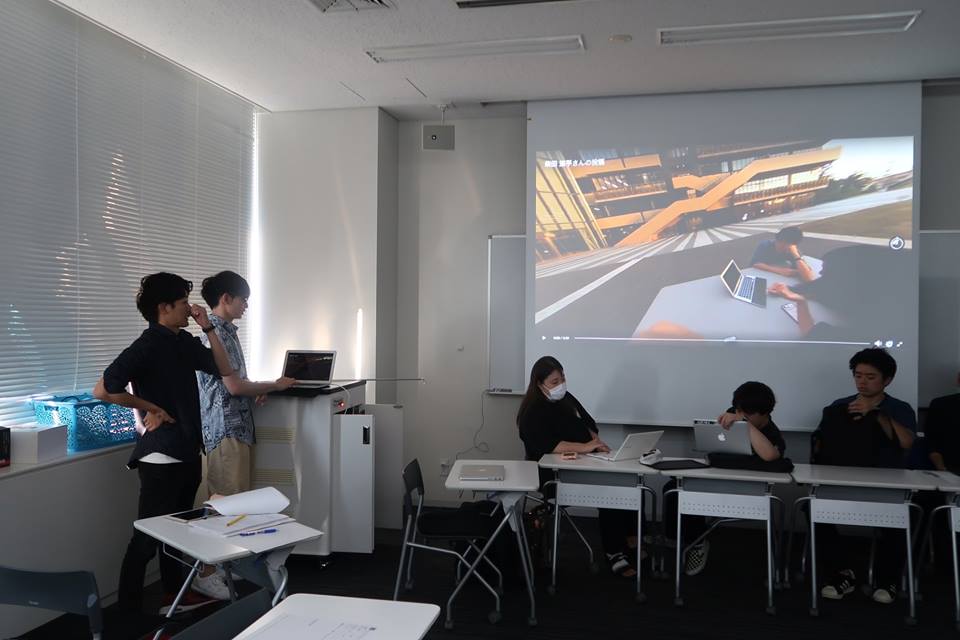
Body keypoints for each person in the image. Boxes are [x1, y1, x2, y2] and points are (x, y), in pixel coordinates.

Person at [93, 273, 236, 614]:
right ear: (164, 307)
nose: (190, 308)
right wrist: (150, 408)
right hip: (160, 455)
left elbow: (224, 368)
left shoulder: (182, 341)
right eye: (183, 303)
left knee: (177, 533)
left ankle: (174, 597)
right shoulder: (147, 344)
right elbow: (103, 389)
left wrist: (208, 328)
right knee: (146, 538)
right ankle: (128, 614)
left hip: (186, 448)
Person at [516, 356, 639, 577]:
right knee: (610, 493)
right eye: (555, 382)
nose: (561, 385)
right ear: (539, 384)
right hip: (552, 475)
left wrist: (596, 443)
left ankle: (632, 539)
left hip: (584, 464)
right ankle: (615, 552)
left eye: (562, 378)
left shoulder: (566, 398)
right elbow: (549, 445)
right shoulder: (532, 411)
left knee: (626, 483)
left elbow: (588, 423)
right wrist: (585, 447)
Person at [814, 348, 916, 605]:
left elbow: (906, 443)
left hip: (887, 483)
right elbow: (821, 442)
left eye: (870, 377)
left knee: (899, 516)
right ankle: (841, 573)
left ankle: (887, 580)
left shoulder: (899, 408)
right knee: (813, 509)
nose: (862, 382)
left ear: (887, 379)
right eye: (858, 375)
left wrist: (877, 412)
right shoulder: (839, 406)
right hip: (843, 479)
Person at [665, 381, 786, 576]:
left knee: (691, 493)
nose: (739, 415)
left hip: (749, 491)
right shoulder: (736, 413)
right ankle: (677, 537)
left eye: (747, 414)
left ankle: (697, 543)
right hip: (720, 477)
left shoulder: (772, 433)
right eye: (738, 410)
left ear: (764, 413)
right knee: (674, 488)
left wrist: (745, 425)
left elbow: (770, 455)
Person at [197, 271, 295, 499]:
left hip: (238, 430)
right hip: (226, 431)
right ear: (226, 298)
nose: (246, 306)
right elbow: (234, 387)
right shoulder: (215, 334)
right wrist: (274, 385)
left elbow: (235, 380)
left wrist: (256, 390)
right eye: (243, 299)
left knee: (240, 501)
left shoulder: (227, 332)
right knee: (229, 505)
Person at [750, 226, 815, 282]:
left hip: (778, 279)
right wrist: (780, 271)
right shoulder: (765, 245)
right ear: (777, 239)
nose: (785, 247)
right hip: (760, 274)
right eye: (782, 243)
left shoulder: (792, 250)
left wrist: (796, 255)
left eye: (788, 244)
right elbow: (756, 263)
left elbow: (809, 278)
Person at [926, 371, 960, 473]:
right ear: (958, 380)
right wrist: (941, 468)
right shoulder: (941, 405)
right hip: (948, 468)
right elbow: (931, 442)